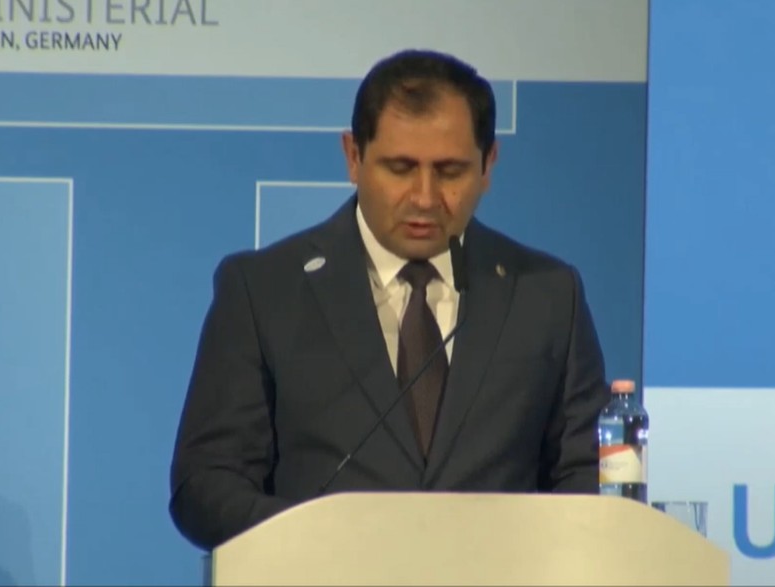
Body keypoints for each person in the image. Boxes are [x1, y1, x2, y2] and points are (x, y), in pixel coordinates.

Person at [169, 48, 612, 552]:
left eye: (450, 171)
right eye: (400, 168)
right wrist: (330, 540)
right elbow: (205, 486)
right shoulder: (263, 290)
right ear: (353, 157)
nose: (424, 197)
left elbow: (587, 478)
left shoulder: (547, 294)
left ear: (488, 164)